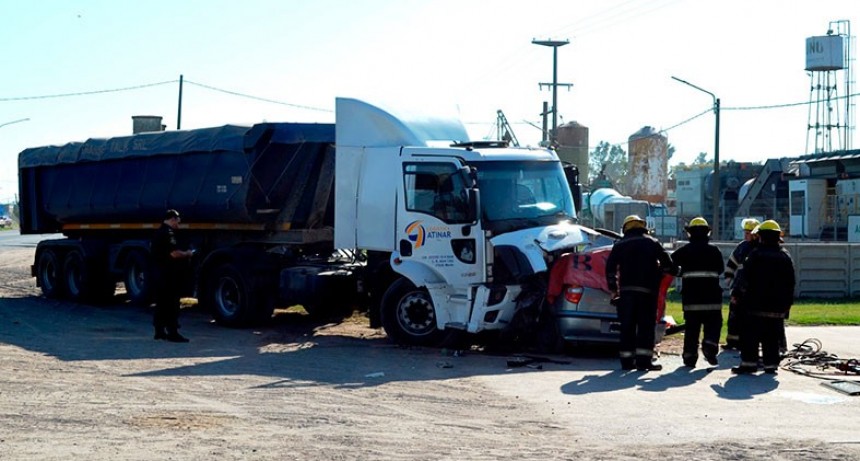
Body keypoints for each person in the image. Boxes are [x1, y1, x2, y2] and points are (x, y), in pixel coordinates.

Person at [605, 215, 675, 371]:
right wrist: (659, 273)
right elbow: (669, 265)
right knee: (646, 327)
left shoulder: (620, 245)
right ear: (643, 227)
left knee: (627, 327)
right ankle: (644, 362)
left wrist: (613, 290)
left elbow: (610, 269)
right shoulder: (652, 242)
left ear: (626, 228)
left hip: (626, 293)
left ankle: (626, 362)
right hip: (648, 293)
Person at [731, 220, 795, 375]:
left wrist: (736, 295)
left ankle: (748, 363)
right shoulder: (785, 256)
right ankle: (771, 365)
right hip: (776, 307)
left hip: (754, 306)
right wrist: (787, 305)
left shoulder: (755, 255)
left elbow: (744, 278)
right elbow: (790, 283)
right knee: (772, 336)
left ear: (761, 237)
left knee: (750, 335)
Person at [670, 217, 725, 368]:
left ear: (690, 234)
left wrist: (680, 273)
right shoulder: (714, 251)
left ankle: (689, 357)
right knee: (714, 324)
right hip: (712, 298)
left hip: (691, 298)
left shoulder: (684, 251)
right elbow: (720, 269)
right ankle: (710, 345)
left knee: (692, 329)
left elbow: (668, 264)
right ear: (707, 233)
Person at [150, 209, 194, 342]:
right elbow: (173, 253)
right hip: (168, 274)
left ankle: (159, 331)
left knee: (161, 303)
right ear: (173, 219)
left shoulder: (158, 231)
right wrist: (188, 253)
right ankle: (173, 332)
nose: (178, 224)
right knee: (172, 303)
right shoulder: (168, 233)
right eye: (177, 221)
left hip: (159, 273)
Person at [722, 218, 760, 350]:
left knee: (749, 317)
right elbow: (731, 263)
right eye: (745, 232)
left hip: (752, 289)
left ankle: (748, 342)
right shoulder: (742, 247)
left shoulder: (760, 248)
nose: (746, 235)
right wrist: (729, 279)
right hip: (738, 287)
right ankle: (732, 341)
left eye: (749, 232)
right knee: (734, 315)